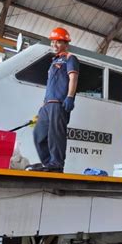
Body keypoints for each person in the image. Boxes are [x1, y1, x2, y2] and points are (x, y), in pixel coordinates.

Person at [26, 27, 79, 172]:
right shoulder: (52, 62)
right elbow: (50, 86)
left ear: (65, 43)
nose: (54, 45)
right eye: (52, 42)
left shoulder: (70, 58)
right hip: (47, 105)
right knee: (39, 134)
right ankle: (48, 163)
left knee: (56, 134)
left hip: (59, 103)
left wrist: (70, 97)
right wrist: (42, 108)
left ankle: (57, 164)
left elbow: (73, 77)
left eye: (58, 42)